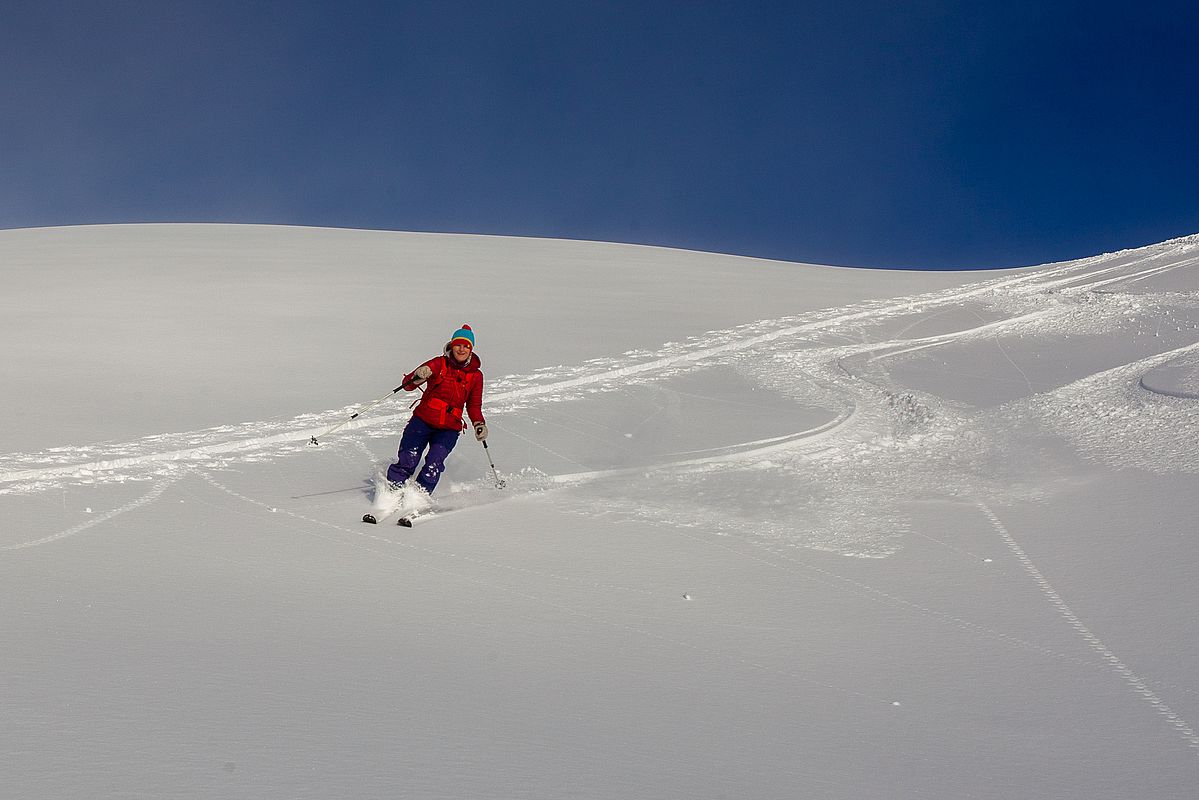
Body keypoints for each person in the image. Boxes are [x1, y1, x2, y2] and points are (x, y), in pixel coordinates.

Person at [386, 324, 487, 496]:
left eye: (466, 346)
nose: (461, 349)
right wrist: (419, 375)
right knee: (408, 459)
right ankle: (390, 495)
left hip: (449, 428)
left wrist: (479, 423)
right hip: (422, 420)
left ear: (471, 349)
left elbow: (473, 405)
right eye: (458, 344)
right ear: (451, 345)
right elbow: (407, 386)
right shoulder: (439, 363)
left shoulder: (476, 376)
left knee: (434, 463)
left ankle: (417, 499)